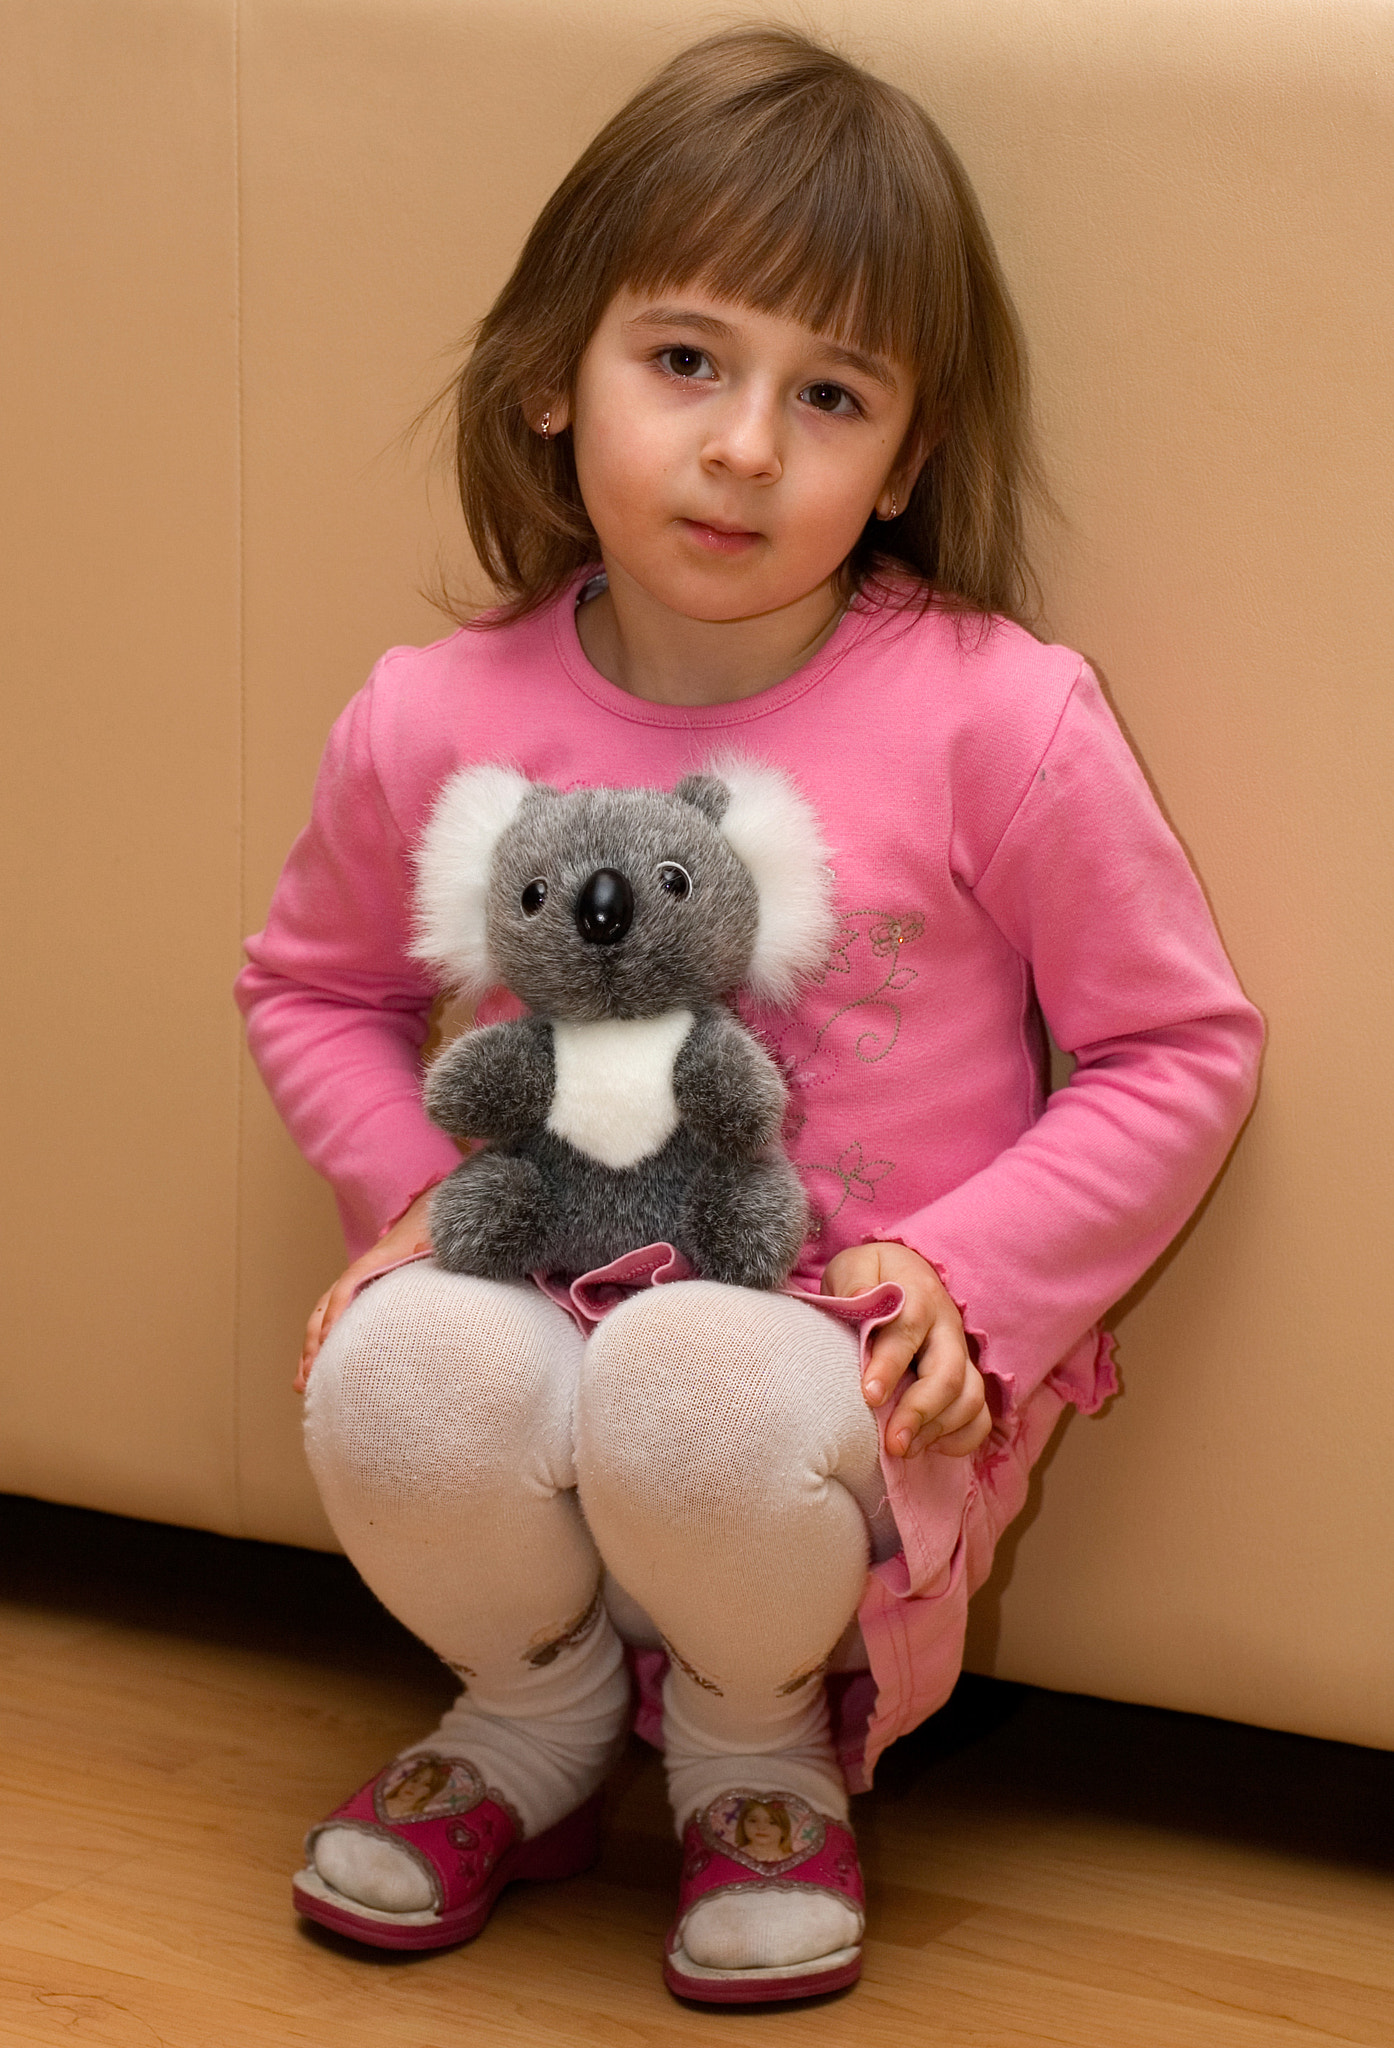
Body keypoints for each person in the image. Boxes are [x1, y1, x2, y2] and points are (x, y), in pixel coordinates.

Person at [235, 25, 1263, 2004]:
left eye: (831, 392)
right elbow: (310, 982)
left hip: (811, 1403)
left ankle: (747, 1745)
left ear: (909, 456)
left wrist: (951, 1281)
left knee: (702, 1383)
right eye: (685, 359)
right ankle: (528, 1716)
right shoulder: (428, 715)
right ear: (551, 371)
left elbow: (1174, 1046)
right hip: (531, 1354)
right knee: (394, 1368)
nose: (743, 446)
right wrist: (409, 1205)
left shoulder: (997, 713)